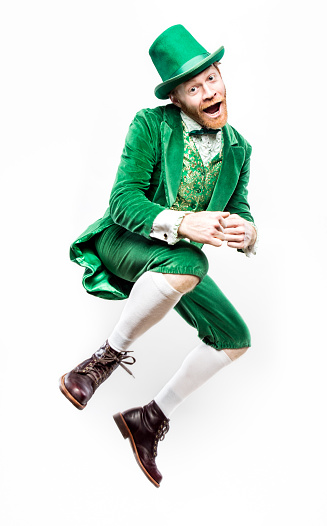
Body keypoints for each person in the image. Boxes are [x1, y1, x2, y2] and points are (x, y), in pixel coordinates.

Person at [59, 24, 258, 488]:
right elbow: (122, 203)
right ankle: (102, 360)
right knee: (192, 261)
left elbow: (240, 208)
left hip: (177, 262)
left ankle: (148, 419)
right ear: (177, 98)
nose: (209, 92)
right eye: (195, 88)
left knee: (235, 336)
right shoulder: (150, 125)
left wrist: (246, 232)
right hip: (124, 241)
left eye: (212, 79)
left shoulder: (239, 148)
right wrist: (182, 222)